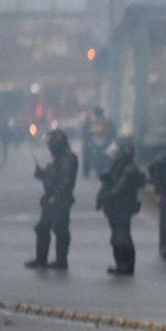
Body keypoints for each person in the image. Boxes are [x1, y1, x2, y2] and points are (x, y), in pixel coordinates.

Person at [26, 129, 78, 270]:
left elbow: (65, 182)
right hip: (51, 199)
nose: (49, 147)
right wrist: (42, 174)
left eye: (51, 144)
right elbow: (53, 177)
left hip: (59, 200)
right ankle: (42, 259)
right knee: (44, 228)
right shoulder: (58, 158)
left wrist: (56, 196)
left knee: (59, 229)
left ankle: (60, 261)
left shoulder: (68, 159)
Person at [96, 138, 146, 275]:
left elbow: (118, 188)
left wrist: (109, 195)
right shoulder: (118, 166)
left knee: (122, 236)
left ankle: (126, 266)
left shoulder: (129, 169)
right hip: (115, 208)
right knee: (117, 237)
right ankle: (120, 264)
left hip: (122, 207)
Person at [81, 108, 113, 178]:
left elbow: (111, 132)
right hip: (92, 142)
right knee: (86, 152)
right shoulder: (89, 121)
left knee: (111, 155)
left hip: (104, 142)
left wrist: (108, 141)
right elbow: (85, 133)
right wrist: (86, 141)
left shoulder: (106, 121)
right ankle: (87, 171)